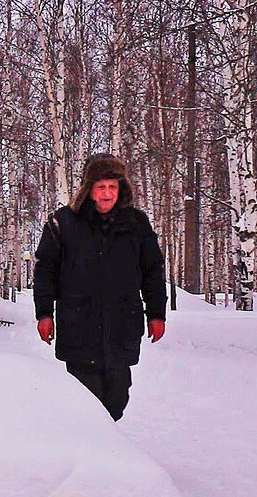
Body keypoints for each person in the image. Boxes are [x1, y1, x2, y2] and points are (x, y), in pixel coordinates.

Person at [32, 157, 166, 421]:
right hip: (79, 324)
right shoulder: (63, 223)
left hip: (121, 324)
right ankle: (90, 453)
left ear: (121, 189)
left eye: (112, 187)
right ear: (89, 189)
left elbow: (152, 271)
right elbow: (45, 269)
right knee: (85, 400)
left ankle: (103, 448)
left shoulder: (136, 224)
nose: (107, 194)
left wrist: (156, 314)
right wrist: (44, 314)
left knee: (117, 396)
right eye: (100, 187)